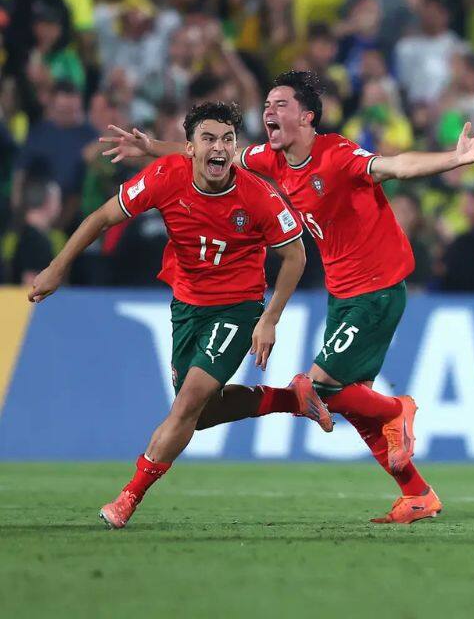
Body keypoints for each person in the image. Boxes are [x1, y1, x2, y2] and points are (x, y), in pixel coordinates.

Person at [100, 71, 474, 525]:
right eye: (267, 104)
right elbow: (218, 154)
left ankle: (397, 409)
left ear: (307, 117)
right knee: (347, 401)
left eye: (280, 104)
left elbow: (394, 165)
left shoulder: (338, 154)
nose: (269, 111)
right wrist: (151, 148)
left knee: (321, 387)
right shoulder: (271, 159)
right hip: (342, 293)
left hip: (377, 288)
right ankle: (417, 493)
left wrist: (454, 158)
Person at [28, 102, 317, 529]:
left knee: (187, 401)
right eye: (209, 138)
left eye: (228, 139)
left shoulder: (258, 194)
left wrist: (269, 318)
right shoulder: (165, 177)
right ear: (189, 147)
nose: (219, 148)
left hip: (238, 308)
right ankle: (291, 398)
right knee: (200, 414)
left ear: (236, 148)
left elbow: (295, 256)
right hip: (187, 307)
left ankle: (128, 497)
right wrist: (57, 266)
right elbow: (103, 218)